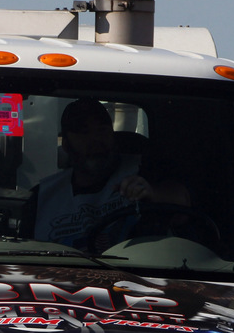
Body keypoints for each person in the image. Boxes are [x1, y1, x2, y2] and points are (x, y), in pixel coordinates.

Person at [30, 98, 187, 248]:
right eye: (84, 132)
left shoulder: (143, 168)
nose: (96, 139)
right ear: (66, 144)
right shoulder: (43, 197)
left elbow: (183, 201)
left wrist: (153, 193)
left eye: (102, 129)